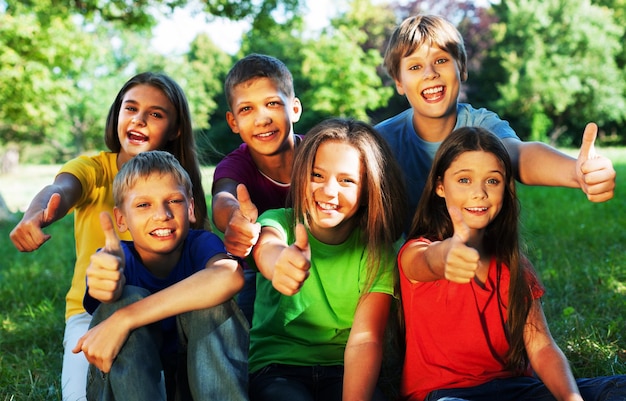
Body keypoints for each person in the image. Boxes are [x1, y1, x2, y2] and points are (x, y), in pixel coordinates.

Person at [9, 72, 208, 401]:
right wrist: (38, 212)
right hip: (92, 312)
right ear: (117, 115)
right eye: (130, 109)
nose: (139, 120)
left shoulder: (180, 185)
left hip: (167, 307)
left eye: (155, 114)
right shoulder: (94, 169)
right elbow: (60, 189)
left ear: (175, 129)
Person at [398, 127, 626, 401]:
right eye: (464, 180)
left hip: (518, 391)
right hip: (445, 395)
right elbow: (426, 262)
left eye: (492, 181)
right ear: (439, 186)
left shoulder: (516, 266)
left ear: (505, 188)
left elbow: (541, 347)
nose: (479, 193)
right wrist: (447, 254)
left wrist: (571, 398)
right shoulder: (416, 251)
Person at [375, 14, 616, 215]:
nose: (430, 73)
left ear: (462, 69)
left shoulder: (481, 126)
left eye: (441, 60)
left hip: (486, 255)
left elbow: (519, 156)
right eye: (415, 67)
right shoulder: (381, 141)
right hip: (419, 260)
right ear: (399, 81)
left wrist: (575, 172)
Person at [248, 118, 407, 401]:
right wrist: (279, 262)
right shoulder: (279, 222)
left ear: (369, 190)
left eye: (346, 180)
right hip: (278, 369)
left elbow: (365, 340)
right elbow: (266, 247)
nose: (328, 191)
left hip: (345, 369)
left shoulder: (376, 251)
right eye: (317, 176)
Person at [72, 150, 248, 400]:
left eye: (174, 201)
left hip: (194, 383)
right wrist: (107, 290)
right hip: (128, 388)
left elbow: (229, 276)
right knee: (124, 297)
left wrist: (127, 318)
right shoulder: (115, 260)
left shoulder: (200, 245)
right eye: (143, 205)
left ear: (190, 208)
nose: (162, 214)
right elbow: (104, 286)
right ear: (121, 219)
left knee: (213, 302)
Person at [211, 53, 303, 323]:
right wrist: (233, 218)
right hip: (259, 267)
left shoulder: (318, 156)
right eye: (246, 109)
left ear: (294, 109)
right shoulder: (235, 166)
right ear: (233, 122)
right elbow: (224, 198)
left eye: (272, 103)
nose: (261, 119)